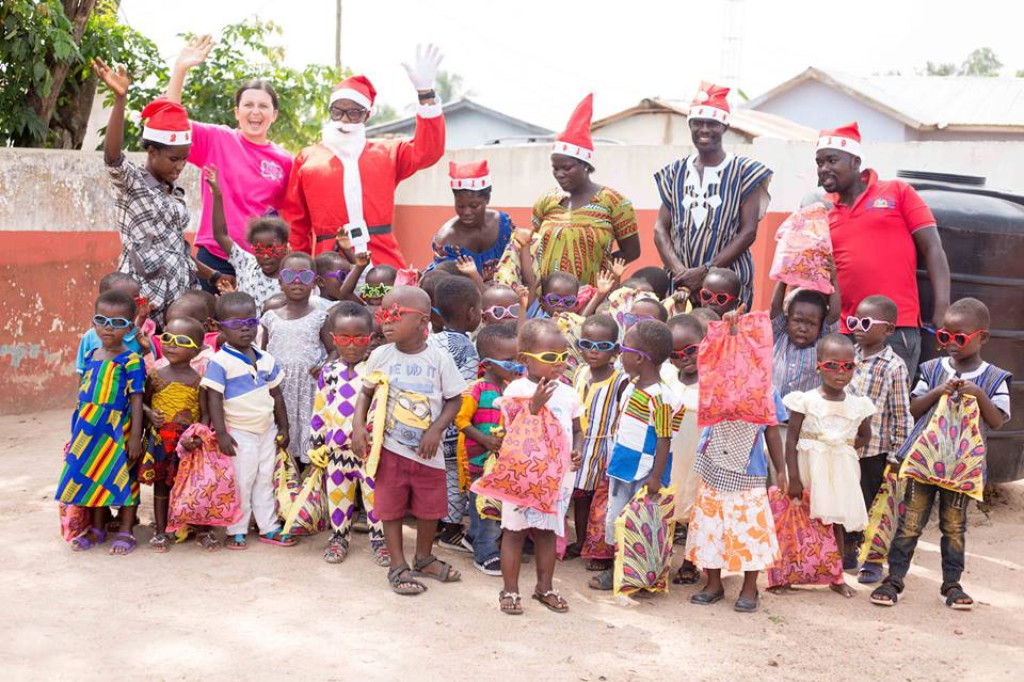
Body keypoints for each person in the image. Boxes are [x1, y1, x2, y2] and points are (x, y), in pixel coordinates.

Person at [871, 298, 1011, 611]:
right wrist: (938, 391)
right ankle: (894, 578)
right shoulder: (932, 370)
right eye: (944, 336)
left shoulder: (994, 378)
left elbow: (997, 419)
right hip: (923, 463)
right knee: (910, 521)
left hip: (961, 470)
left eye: (959, 338)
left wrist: (978, 394)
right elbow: (914, 407)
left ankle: (952, 584)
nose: (950, 344)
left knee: (954, 526)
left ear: (982, 338)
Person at [283, 46, 446, 268]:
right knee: (335, 305)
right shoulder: (308, 158)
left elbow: (428, 151)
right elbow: (296, 224)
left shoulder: (388, 153)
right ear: (329, 111)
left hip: (381, 260)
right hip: (330, 265)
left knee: (390, 302)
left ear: (367, 115)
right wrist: (299, 270)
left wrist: (425, 94)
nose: (344, 119)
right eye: (337, 111)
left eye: (354, 113)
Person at [351, 287, 468, 595]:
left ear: (422, 321)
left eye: (397, 315)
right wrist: (358, 425)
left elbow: (455, 400)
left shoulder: (439, 359)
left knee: (430, 509)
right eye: (383, 316)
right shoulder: (380, 355)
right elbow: (366, 393)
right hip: (389, 450)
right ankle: (398, 564)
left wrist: (436, 430)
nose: (387, 323)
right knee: (390, 508)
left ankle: (424, 557)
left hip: (428, 453)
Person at [814, 122, 951, 378]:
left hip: (896, 328)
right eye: (819, 163)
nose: (824, 169)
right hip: (846, 330)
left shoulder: (897, 192)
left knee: (892, 410)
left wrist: (942, 309)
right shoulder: (823, 213)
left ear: (856, 162)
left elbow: (933, 247)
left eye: (832, 160)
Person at [165, 35, 294, 292]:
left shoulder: (285, 160)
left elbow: (286, 217)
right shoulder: (216, 138)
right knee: (208, 327)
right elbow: (171, 121)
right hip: (215, 259)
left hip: (262, 263)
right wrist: (180, 69)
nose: (255, 111)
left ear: (274, 115)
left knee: (252, 331)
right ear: (237, 112)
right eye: (248, 105)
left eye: (263, 106)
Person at [686, 312, 788, 613]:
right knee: (710, 527)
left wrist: (781, 469)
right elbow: (716, 345)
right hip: (713, 466)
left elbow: (772, 430)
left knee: (749, 531)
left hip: (750, 473)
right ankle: (714, 583)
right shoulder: (714, 379)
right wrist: (729, 330)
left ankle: (748, 588)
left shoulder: (766, 389)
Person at [91, 59, 203, 321]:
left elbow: (178, 247)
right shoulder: (134, 184)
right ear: (152, 151)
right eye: (173, 159)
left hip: (178, 292)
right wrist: (120, 100)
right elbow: (112, 157)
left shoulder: (175, 193)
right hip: (143, 295)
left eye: (184, 159)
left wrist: (213, 275)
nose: (180, 166)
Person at [654, 81, 773, 309]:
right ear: (690, 125)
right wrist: (681, 272)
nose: (704, 129)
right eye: (697, 123)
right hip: (680, 284)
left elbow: (748, 232)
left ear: (724, 127)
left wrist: (706, 271)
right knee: (681, 339)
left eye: (712, 124)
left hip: (725, 285)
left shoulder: (745, 171)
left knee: (725, 341)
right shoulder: (674, 172)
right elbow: (660, 228)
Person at [506, 94, 639, 288]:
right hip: (548, 300)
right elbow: (533, 247)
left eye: (566, 168)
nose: (559, 174)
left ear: (585, 165)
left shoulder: (613, 202)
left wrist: (598, 272)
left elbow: (632, 251)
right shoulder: (546, 201)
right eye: (555, 168)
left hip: (593, 297)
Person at [589, 320, 683, 592]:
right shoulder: (631, 387)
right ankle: (617, 569)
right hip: (623, 466)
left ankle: (641, 573)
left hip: (645, 473)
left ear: (640, 359)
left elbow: (665, 439)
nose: (620, 354)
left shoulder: (663, 398)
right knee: (616, 518)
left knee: (642, 523)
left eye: (624, 349)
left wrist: (655, 477)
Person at [497, 319, 583, 614]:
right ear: (525, 360)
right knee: (515, 532)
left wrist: (578, 449)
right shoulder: (516, 390)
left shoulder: (569, 393)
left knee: (548, 532)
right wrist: (533, 406)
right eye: (550, 358)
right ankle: (509, 590)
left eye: (563, 358)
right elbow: (513, 430)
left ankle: (544, 588)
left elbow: (577, 428)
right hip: (524, 476)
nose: (558, 364)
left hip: (556, 479)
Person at [783, 334, 876, 596]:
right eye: (833, 365)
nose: (841, 372)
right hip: (808, 467)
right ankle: (791, 571)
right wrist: (794, 478)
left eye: (848, 366)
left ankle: (836, 577)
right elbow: (790, 441)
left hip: (840, 472)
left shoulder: (858, 405)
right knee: (800, 520)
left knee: (834, 523)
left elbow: (865, 435)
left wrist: (842, 448)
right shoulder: (805, 401)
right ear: (819, 365)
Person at [202, 292, 295, 550]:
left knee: (266, 477)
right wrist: (220, 433)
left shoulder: (266, 359)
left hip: (267, 430)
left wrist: (284, 427)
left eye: (251, 323)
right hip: (239, 431)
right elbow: (213, 399)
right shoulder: (219, 362)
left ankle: (269, 526)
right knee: (243, 479)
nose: (245, 329)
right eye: (236, 324)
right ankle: (236, 528)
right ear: (219, 328)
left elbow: (277, 395)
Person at [55, 290, 146, 555]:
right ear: (93, 323)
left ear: (129, 328)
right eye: (102, 321)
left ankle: (127, 530)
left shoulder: (131, 360)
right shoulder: (91, 354)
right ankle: (97, 528)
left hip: (117, 429)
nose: (108, 328)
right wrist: (76, 431)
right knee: (91, 476)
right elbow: (82, 393)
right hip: (88, 427)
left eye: (118, 323)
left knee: (125, 478)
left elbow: (137, 399)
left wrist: (135, 436)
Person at [309, 302, 387, 566]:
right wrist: (316, 442)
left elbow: (379, 410)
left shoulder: (376, 373)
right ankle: (339, 537)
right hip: (336, 450)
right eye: (344, 338)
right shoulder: (329, 373)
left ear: (371, 339)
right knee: (338, 496)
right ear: (334, 338)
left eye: (359, 338)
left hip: (368, 452)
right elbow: (320, 408)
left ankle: (380, 540)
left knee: (374, 498)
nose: (351, 345)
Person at [846, 295, 913, 583]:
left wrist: (897, 455)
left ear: (888, 330)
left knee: (872, 504)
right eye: (854, 321)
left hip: (874, 452)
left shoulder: (894, 367)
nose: (858, 327)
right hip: (844, 448)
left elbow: (901, 414)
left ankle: (872, 557)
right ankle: (847, 549)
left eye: (866, 322)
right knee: (845, 501)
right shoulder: (847, 356)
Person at [455, 323, 522, 575]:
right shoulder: (476, 389)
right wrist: (484, 441)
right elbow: (461, 420)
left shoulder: (510, 391)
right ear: (489, 363)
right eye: (509, 361)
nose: (516, 366)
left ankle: (473, 538)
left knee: (482, 503)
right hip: (477, 459)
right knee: (486, 506)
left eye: (517, 360)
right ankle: (485, 552)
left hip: (498, 461)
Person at [260, 252, 331, 466]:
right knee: (281, 437)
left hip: (308, 388)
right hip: (279, 389)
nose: (297, 282)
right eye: (290, 276)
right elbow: (262, 353)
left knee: (307, 436)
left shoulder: (320, 317)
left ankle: (305, 489)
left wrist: (324, 366)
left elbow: (334, 350)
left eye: (305, 276)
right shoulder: (271, 317)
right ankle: (282, 489)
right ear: (280, 281)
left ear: (315, 282)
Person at [569, 314, 630, 562]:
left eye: (602, 347)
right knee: (581, 498)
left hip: (605, 447)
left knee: (603, 502)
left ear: (615, 350)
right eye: (587, 345)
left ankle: (601, 550)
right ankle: (582, 540)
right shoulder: (580, 372)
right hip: (580, 445)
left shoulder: (620, 380)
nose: (593, 352)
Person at [142, 316, 206, 552]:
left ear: (196, 350)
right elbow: (142, 403)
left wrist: (198, 436)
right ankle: (160, 530)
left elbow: (205, 413)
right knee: (161, 485)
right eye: (166, 338)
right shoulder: (156, 376)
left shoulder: (199, 381)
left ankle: (200, 529)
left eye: (180, 341)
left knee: (191, 485)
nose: (170, 345)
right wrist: (149, 414)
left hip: (188, 444)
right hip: (160, 441)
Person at [429, 276, 483, 551]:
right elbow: (465, 391)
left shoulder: (430, 340)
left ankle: (432, 520)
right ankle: (450, 529)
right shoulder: (466, 348)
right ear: (472, 313)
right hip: (451, 428)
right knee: (454, 478)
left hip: (427, 423)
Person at [205, 164, 290, 309]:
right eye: (259, 250)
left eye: (272, 249)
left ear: (286, 248)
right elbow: (220, 234)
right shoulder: (246, 264)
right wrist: (217, 195)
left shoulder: (293, 279)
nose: (265, 256)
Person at [663, 314, 705, 585]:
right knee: (668, 502)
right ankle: (660, 558)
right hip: (671, 453)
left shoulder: (714, 378)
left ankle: (691, 562)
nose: (684, 358)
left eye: (691, 350)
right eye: (675, 354)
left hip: (701, 454)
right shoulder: (666, 376)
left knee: (697, 507)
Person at [429, 161, 514, 282]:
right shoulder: (447, 239)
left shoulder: (503, 225)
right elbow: (450, 286)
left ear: (487, 199)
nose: (466, 212)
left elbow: (515, 265)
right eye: (460, 206)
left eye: (474, 206)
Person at [770, 279, 840, 399]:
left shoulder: (822, 344)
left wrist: (833, 279)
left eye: (811, 324)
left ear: (820, 326)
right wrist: (783, 278)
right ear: (787, 320)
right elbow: (775, 306)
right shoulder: (780, 336)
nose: (803, 328)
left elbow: (834, 315)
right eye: (797, 320)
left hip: (805, 416)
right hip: (774, 414)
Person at [75, 272, 155, 375]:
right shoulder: (90, 337)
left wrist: (146, 350)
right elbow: (82, 373)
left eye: (137, 300)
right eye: (124, 300)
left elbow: (149, 371)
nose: (135, 306)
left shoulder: (140, 337)